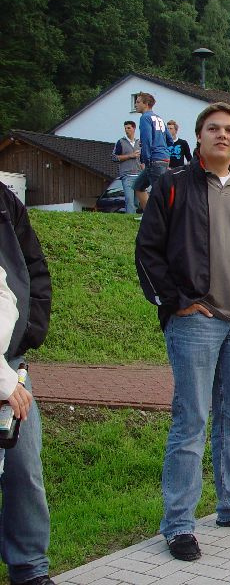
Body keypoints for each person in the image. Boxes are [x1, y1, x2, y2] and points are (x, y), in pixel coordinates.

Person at [135, 102, 230, 562]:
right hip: (197, 320)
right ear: (198, 137)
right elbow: (148, 250)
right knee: (191, 421)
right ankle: (179, 524)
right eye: (213, 128)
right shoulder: (173, 185)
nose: (222, 135)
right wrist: (176, 301)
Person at [0, 181, 55, 585]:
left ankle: (29, 568)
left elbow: (32, 267)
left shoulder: (4, 201)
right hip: (4, 377)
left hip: (11, 363)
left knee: (24, 470)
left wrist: (29, 331)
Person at [134, 92, 173, 212]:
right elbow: (170, 140)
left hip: (154, 159)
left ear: (146, 104)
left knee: (159, 193)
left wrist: (145, 159)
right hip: (164, 158)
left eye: (138, 102)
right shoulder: (159, 118)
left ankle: (165, 218)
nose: (135, 104)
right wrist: (160, 145)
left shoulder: (144, 118)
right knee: (138, 186)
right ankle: (148, 216)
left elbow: (147, 140)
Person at [111, 121, 142, 214]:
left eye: (129, 128)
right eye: (125, 128)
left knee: (137, 202)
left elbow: (144, 158)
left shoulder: (139, 143)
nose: (126, 130)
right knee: (129, 200)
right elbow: (114, 157)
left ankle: (133, 219)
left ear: (134, 129)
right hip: (127, 175)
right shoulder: (121, 142)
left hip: (139, 175)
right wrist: (130, 155)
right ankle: (129, 218)